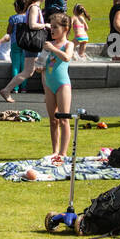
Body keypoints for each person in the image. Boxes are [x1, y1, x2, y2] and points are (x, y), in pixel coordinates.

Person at [34, 13, 74, 159]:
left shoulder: (68, 44)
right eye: (51, 27)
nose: (52, 30)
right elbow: (42, 64)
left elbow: (67, 57)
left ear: (65, 28)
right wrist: (39, 67)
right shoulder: (48, 46)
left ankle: (63, 153)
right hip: (49, 85)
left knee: (64, 119)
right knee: (53, 120)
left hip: (62, 85)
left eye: (55, 27)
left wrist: (53, 49)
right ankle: (55, 151)